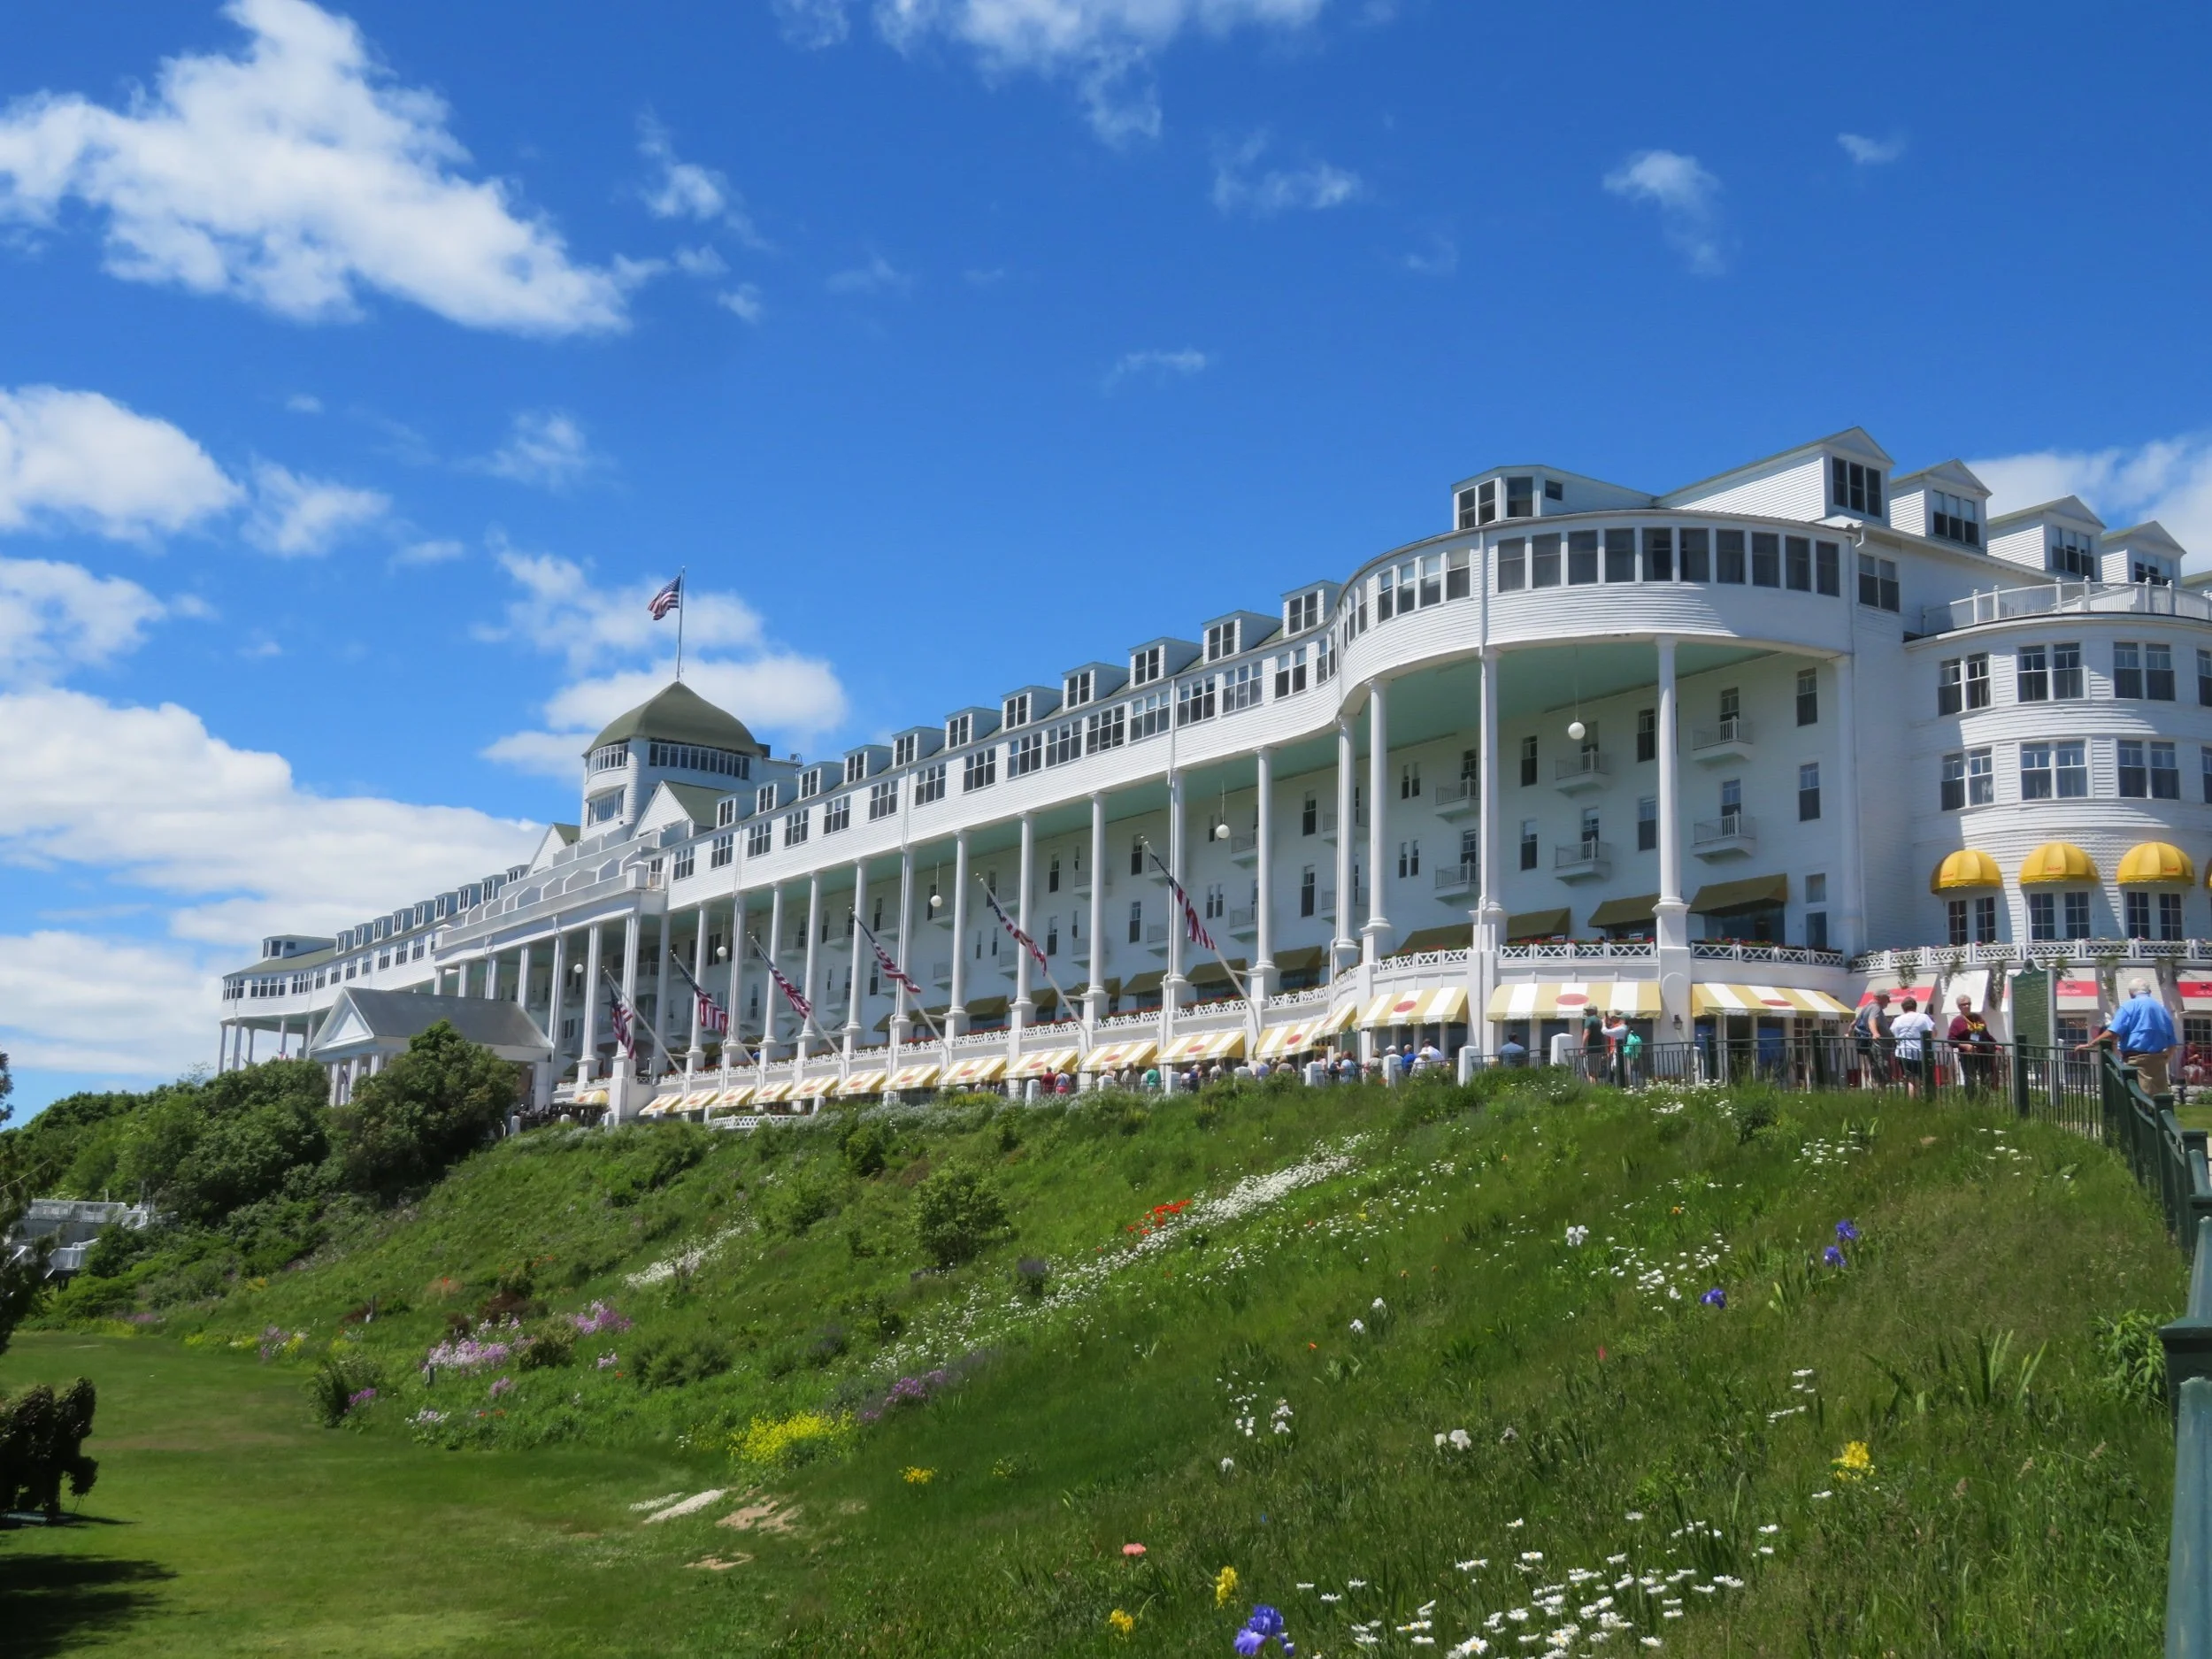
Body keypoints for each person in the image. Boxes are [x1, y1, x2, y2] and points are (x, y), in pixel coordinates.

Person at [2101, 979, 2179, 1097]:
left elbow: (2112, 1033)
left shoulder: (2129, 1006)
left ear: (2131, 993)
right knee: (2160, 1102)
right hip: (2158, 1063)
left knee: (2137, 1102)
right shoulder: (2161, 1009)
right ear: (2150, 992)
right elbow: (2172, 1044)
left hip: (2135, 1062)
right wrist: (2165, 1059)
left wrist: (2089, 1044)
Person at [1889, 995, 1936, 1097]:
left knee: (1912, 1081)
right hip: (1922, 1053)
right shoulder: (1923, 1018)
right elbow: (1933, 1034)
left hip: (1904, 1053)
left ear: (1903, 1008)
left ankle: (1914, 1105)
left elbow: (1895, 1036)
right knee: (1928, 1080)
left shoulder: (1898, 1020)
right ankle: (1930, 1101)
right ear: (1915, 1006)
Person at [1947, 994, 1995, 1092]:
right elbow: (1951, 1040)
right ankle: (1971, 1103)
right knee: (1970, 1080)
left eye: (1968, 1003)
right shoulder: (1957, 1022)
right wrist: (1964, 1046)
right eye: (1964, 1004)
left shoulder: (1978, 1018)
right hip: (1968, 1055)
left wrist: (1995, 1044)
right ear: (1959, 1007)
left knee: (1986, 1079)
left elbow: (1985, 1034)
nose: (1967, 1006)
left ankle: (1984, 1102)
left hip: (1983, 1053)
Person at [1851, 991, 1893, 1087]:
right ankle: (1881, 1098)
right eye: (1887, 998)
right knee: (1881, 1071)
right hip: (1879, 1045)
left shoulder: (1866, 1007)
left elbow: (1854, 1023)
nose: (1889, 1001)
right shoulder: (1876, 1007)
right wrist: (1875, 1033)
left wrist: (1848, 1032)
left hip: (1874, 1044)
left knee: (1876, 1070)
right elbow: (1872, 1020)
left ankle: (1878, 1096)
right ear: (1880, 998)